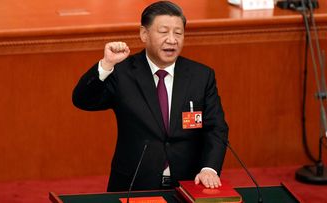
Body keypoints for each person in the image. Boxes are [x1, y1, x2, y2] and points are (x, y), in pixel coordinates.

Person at [72, 0, 229, 192]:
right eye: (164, 32)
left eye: (178, 33)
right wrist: (105, 65)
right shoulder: (123, 73)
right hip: (134, 184)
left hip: (188, 184)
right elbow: (83, 100)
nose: (172, 40)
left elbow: (216, 128)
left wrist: (209, 168)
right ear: (144, 34)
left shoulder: (201, 76)